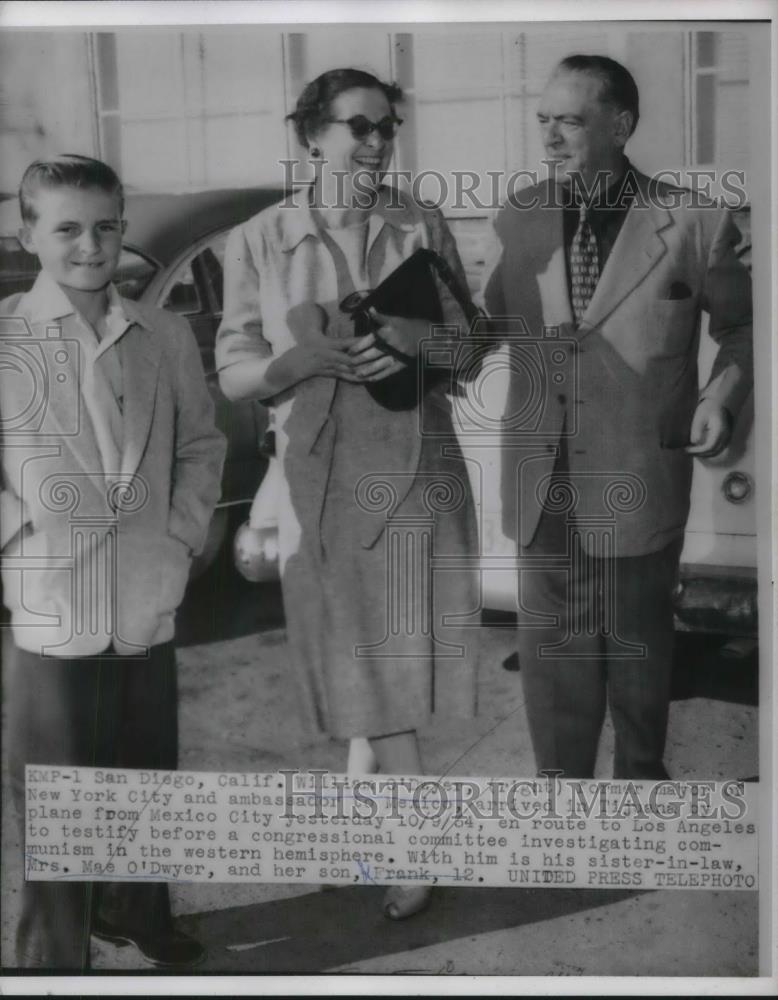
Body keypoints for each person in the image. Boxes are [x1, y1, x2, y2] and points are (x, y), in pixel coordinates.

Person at [216, 68, 480, 919]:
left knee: (382, 670)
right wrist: (291, 366)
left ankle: (398, 849)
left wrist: (417, 336)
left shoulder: (420, 223)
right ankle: (383, 842)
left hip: (413, 474)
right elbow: (233, 370)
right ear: (312, 136)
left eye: (386, 129)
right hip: (316, 481)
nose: (375, 144)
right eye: (358, 127)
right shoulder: (258, 240)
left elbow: (468, 347)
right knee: (360, 666)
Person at [481, 55, 753, 779]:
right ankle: (564, 803)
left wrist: (721, 396)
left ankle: (640, 791)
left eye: (569, 120)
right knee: (553, 654)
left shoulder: (695, 221)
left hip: (639, 473)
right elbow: (484, 328)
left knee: (636, 647)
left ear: (620, 125)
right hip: (542, 478)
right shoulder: (518, 217)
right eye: (543, 120)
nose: (549, 138)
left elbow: (747, 328)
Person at [0, 155, 226, 968]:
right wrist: (24, 536)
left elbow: (202, 444)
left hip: (144, 595)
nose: (89, 246)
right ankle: (54, 958)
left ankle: (137, 913)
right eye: (65, 228)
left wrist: (181, 535)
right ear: (28, 235)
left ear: (123, 229)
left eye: (105, 226)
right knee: (59, 795)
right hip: (53, 604)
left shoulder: (160, 332)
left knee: (145, 775)